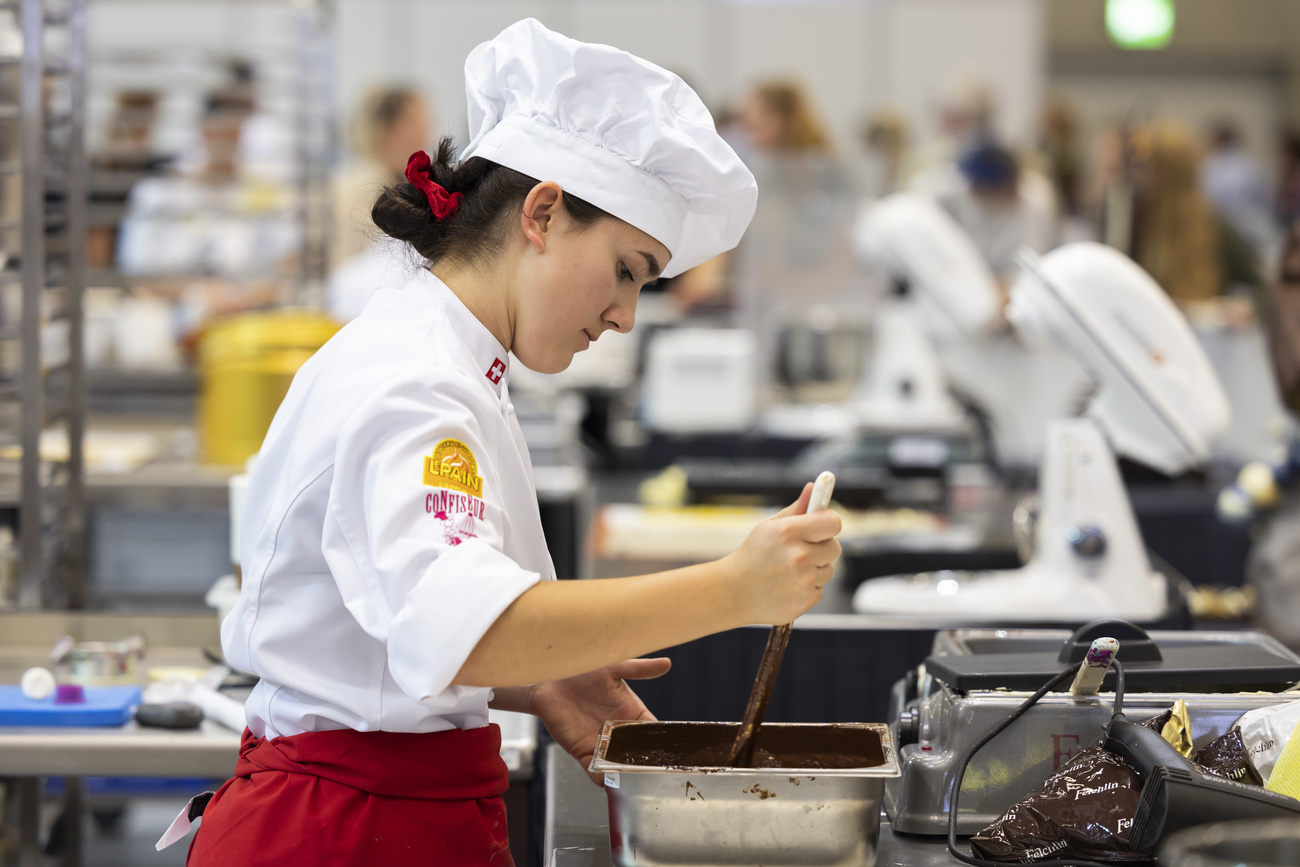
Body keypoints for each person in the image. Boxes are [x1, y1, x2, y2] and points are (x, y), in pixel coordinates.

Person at [180, 19, 840, 866]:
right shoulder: (415, 380)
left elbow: (401, 625)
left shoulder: (450, 356)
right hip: (338, 831)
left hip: (390, 811)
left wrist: (547, 675)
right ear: (542, 213)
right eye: (627, 269)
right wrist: (735, 590)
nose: (625, 314)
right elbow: (470, 629)